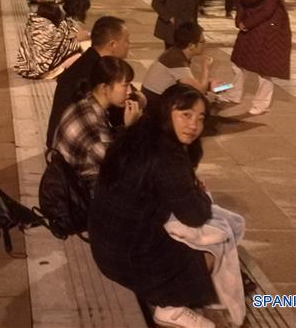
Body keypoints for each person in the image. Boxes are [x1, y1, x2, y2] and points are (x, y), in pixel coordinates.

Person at [88, 84, 229, 328]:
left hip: (104, 245)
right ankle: (170, 308)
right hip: (127, 259)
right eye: (186, 115)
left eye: (200, 118)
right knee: (214, 246)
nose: (194, 125)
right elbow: (195, 215)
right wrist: (201, 193)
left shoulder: (139, 133)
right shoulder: (167, 156)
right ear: (167, 111)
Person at [52, 56, 143, 194]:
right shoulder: (92, 125)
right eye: (125, 85)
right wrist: (130, 129)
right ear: (104, 88)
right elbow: (118, 166)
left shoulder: (86, 101)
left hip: (71, 184)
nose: (129, 91)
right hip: (85, 196)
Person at [224, 0, 291, 115]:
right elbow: (242, 0)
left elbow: (270, 8)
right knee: (237, 62)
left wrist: (248, 23)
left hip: (266, 28)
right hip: (249, 24)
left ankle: (261, 104)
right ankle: (234, 94)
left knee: (264, 68)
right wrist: (240, 20)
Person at [47, 16, 133, 148]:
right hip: (72, 147)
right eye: (126, 40)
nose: (129, 44)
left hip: (58, 140)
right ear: (113, 45)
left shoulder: (86, 61)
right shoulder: (97, 74)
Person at [15, 0, 91, 80]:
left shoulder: (54, 7)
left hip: (28, 63)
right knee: (79, 51)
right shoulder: (54, 17)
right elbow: (53, 42)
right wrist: (77, 39)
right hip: (38, 66)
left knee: (77, 47)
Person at [141, 23, 215, 107]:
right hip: (156, 104)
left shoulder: (175, 52)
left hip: (156, 99)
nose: (205, 44)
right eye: (202, 42)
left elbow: (191, 83)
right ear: (191, 46)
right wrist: (206, 67)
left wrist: (208, 83)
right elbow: (200, 91)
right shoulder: (177, 60)